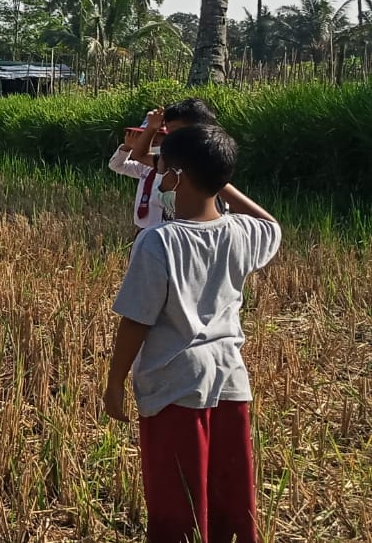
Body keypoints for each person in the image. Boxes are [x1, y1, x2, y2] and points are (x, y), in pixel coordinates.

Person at [105, 123, 280, 543]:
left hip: (176, 385)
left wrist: (113, 382)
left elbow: (136, 321)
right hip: (231, 379)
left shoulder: (158, 243)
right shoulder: (241, 232)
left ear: (178, 177)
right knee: (230, 495)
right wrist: (221, 182)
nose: (157, 177)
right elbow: (269, 222)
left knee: (175, 501)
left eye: (162, 168)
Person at [109, 98, 221, 231]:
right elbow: (120, 164)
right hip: (145, 229)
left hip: (173, 232)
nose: (152, 139)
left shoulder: (197, 167)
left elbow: (140, 154)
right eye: (144, 135)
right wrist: (128, 146)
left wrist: (151, 129)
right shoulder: (153, 163)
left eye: (159, 135)